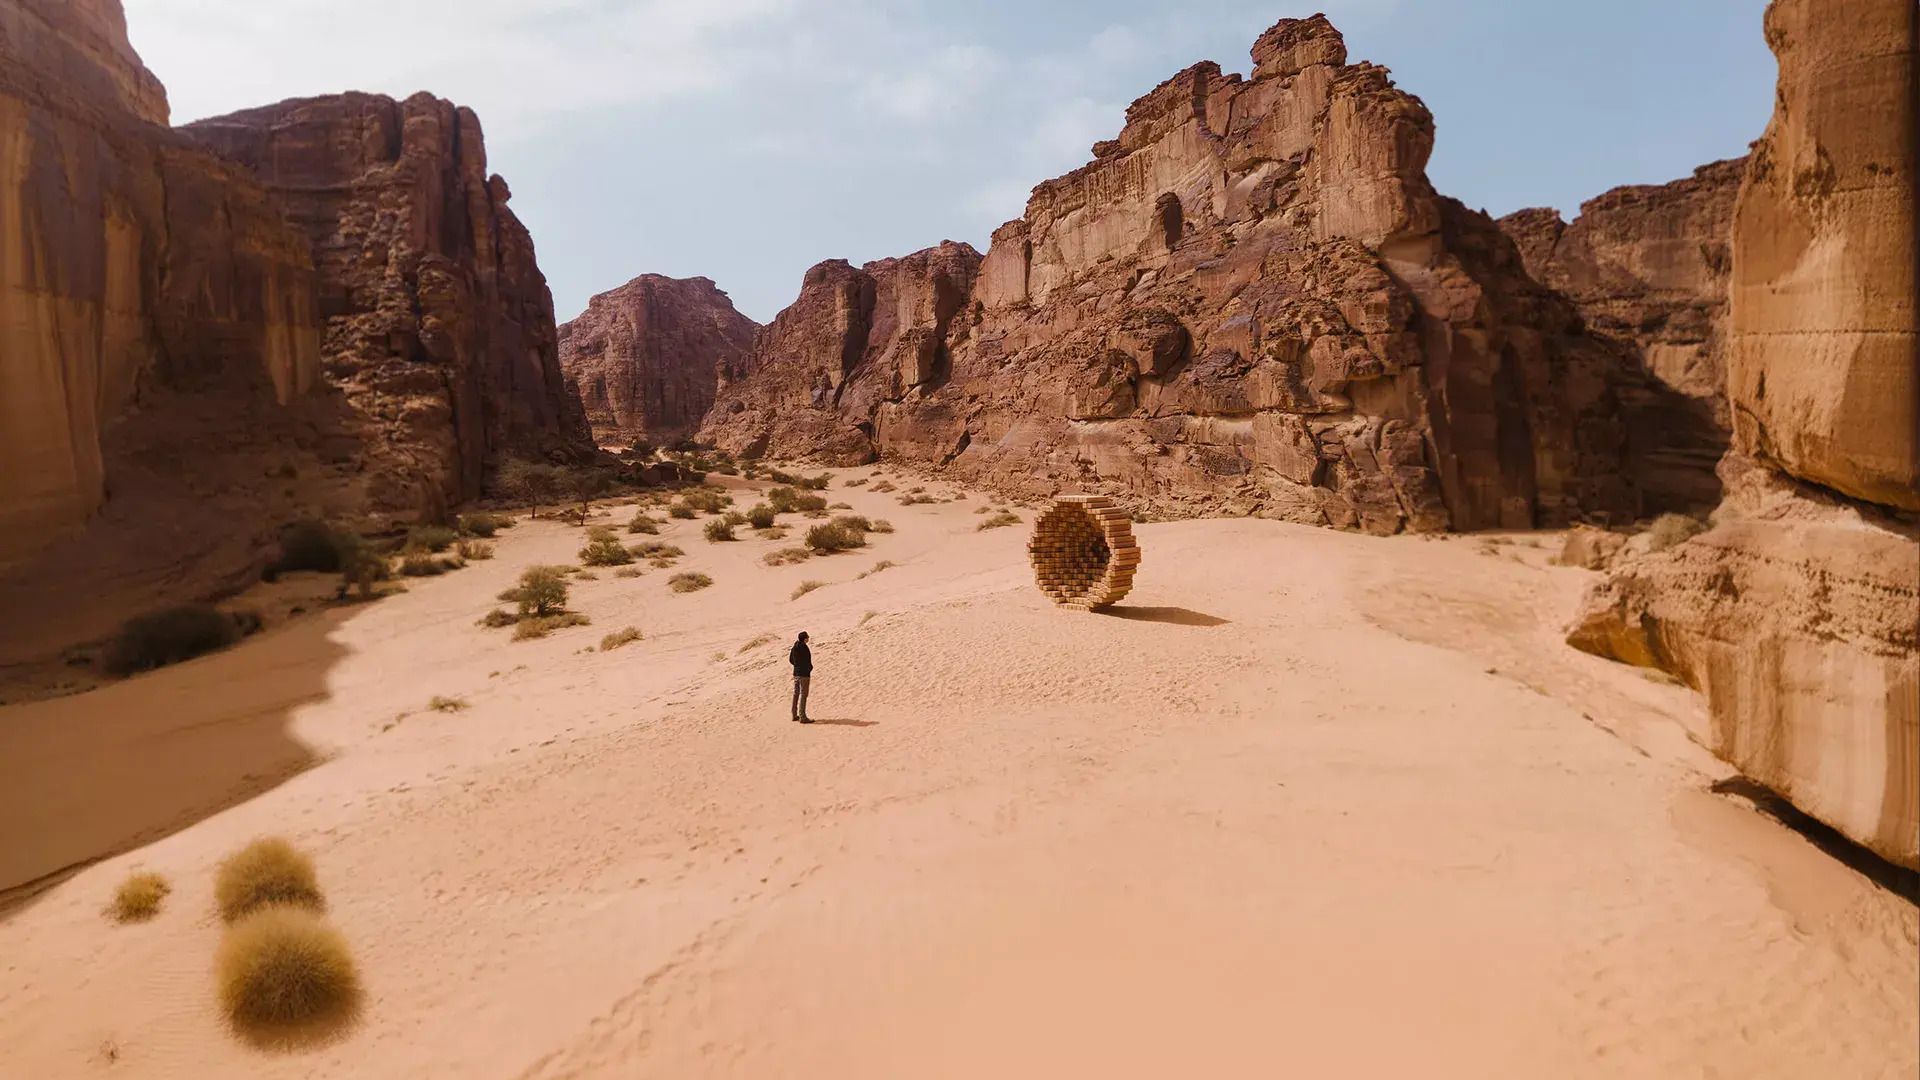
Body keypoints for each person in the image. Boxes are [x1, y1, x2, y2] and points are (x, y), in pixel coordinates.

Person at [789, 631, 813, 723]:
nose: (808, 638)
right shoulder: (804, 648)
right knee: (803, 694)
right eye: (807, 637)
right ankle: (802, 717)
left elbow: (791, 660)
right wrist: (809, 668)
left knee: (796, 694)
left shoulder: (794, 647)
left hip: (796, 673)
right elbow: (807, 660)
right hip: (804, 674)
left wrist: (797, 666)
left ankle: (794, 714)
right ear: (805, 639)